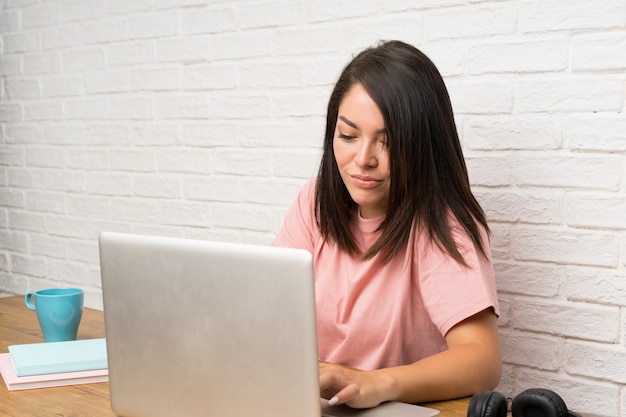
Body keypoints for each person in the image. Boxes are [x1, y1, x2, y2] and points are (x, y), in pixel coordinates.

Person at [272, 40, 501, 409]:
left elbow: (482, 360)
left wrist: (374, 383)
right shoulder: (313, 203)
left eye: (388, 143)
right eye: (348, 135)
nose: (363, 159)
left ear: (423, 146)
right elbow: (267, 311)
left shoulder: (441, 224)